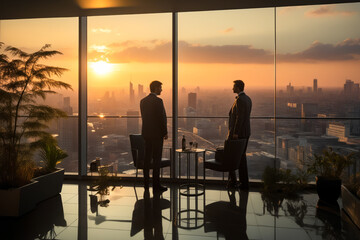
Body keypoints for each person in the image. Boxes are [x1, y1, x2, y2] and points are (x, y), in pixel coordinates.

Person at [140, 80, 168, 192]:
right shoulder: (158, 101)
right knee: (156, 160)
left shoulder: (143, 101)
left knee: (147, 159)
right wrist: (165, 132)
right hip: (157, 135)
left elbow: (145, 118)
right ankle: (156, 185)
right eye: (160, 87)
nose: (161, 89)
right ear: (156, 88)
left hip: (146, 133)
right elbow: (161, 118)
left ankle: (146, 184)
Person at [227, 80, 252, 190]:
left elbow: (239, 118)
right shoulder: (248, 99)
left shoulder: (240, 100)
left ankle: (234, 182)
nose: (232, 89)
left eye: (233, 87)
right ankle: (242, 183)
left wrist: (235, 133)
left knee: (232, 157)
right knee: (241, 157)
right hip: (246, 132)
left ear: (238, 88)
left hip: (239, 134)